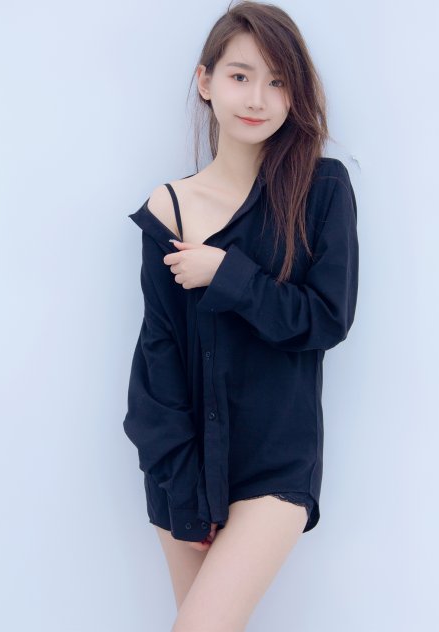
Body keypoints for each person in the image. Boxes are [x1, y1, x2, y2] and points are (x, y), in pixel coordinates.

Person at [123, 1, 359, 630]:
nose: (258, 98)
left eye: (278, 81)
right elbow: (158, 356)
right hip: (181, 466)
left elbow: (326, 319)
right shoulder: (168, 208)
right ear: (205, 82)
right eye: (239, 76)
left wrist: (227, 274)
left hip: (274, 463)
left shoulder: (321, 188)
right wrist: (182, 489)